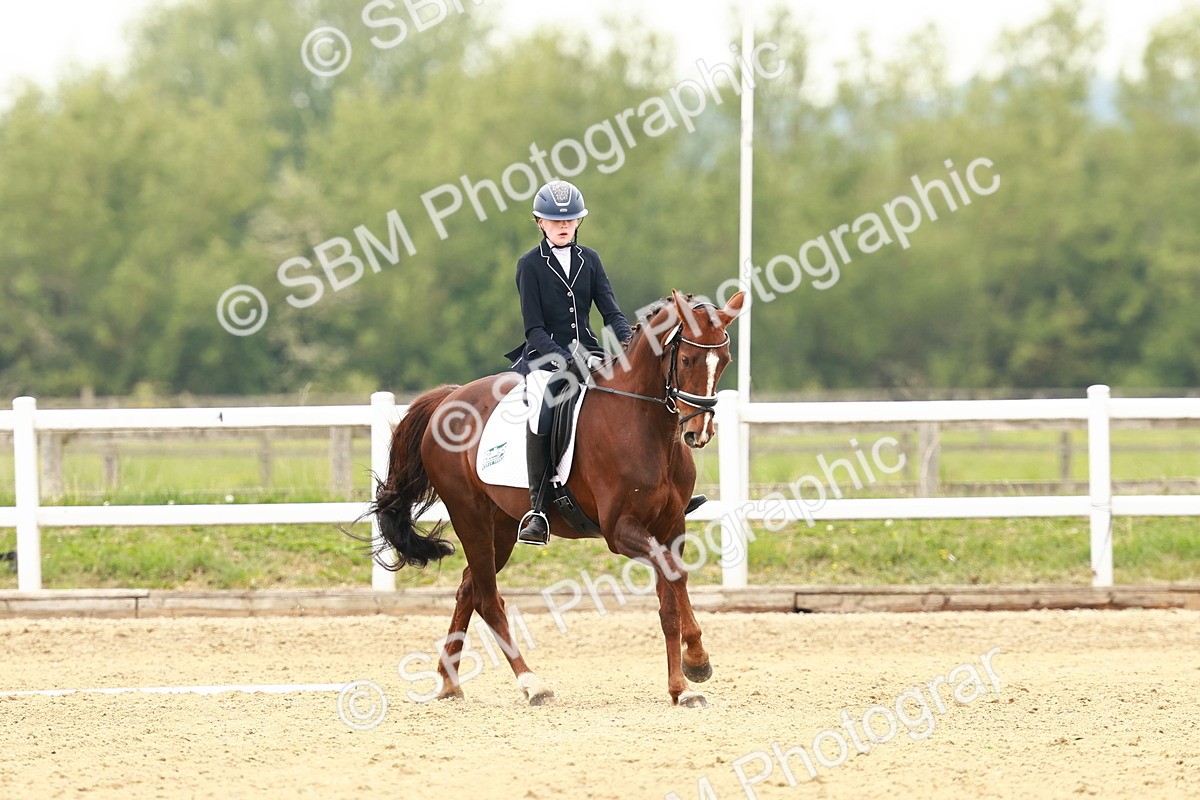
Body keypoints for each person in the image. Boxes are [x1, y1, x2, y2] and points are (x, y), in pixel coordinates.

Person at [504, 180, 632, 545]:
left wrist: (629, 341)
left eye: (570, 220)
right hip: (546, 359)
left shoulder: (590, 260)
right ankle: (539, 509)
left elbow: (611, 312)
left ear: (578, 222)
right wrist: (563, 359)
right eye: (554, 221)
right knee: (543, 411)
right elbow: (534, 329)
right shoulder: (529, 265)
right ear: (539, 223)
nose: (563, 226)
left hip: (590, 353)